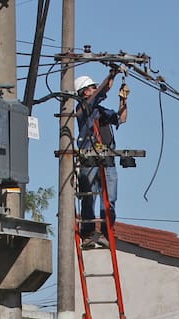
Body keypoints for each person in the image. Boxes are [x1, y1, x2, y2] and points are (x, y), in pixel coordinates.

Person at [74, 68, 129, 248]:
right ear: (84, 91)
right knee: (89, 196)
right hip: (89, 158)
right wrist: (111, 75)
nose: (95, 89)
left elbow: (121, 119)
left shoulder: (102, 111)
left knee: (110, 198)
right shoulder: (83, 108)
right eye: (92, 87)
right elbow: (103, 90)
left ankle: (106, 232)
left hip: (107, 158)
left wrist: (123, 100)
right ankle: (88, 233)